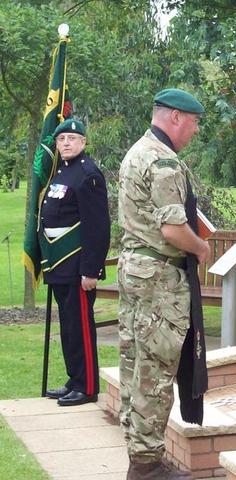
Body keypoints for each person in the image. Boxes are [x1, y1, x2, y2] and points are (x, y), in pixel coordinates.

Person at [117, 88, 210, 480]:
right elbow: (173, 230)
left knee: (135, 365)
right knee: (156, 370)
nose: (195, 130)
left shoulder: (137, 151)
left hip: (136, 269)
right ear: (175, 117)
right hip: (159, 278)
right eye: (194, 122)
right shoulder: (164, 162)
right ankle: (147, 467)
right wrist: (201, 247)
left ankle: (139, 455)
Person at [42, 118, 111, 407]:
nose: (66, 143)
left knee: (81, 325)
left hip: (78, 265)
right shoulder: (61, 172)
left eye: (72, 138)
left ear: (83, 142)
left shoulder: (88, 174)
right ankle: (74, 379)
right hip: (59, 263)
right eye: (61, 139)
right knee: (69, 325)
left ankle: (87, 386)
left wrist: (91, 270)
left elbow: (97, 227)